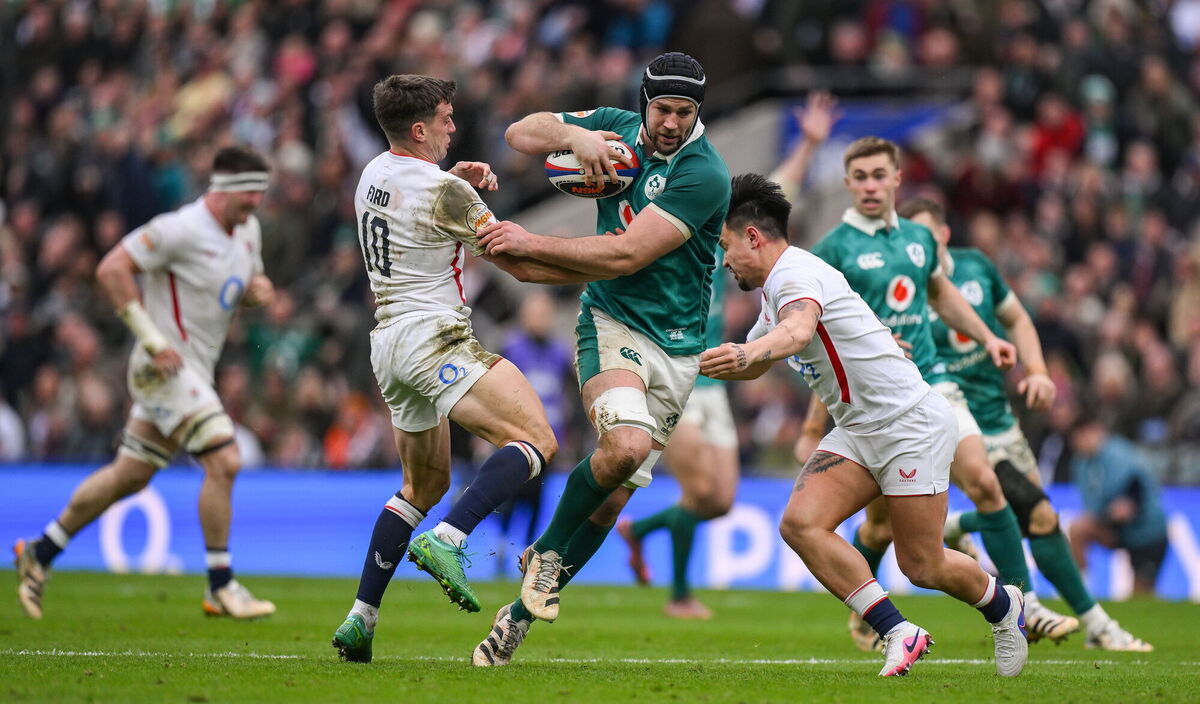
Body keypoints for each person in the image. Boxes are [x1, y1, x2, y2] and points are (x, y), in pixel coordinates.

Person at [701, 173, 1026, 677]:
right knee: (800, 524)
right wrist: (692, 364)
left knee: (923, 565)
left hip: (908, 424)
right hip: (861, 428)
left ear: (753, 237)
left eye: (725, 246)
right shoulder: (774, 291)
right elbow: (761, 357)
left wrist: (747, 351)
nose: (724, 260)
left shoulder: (795, 276)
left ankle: (1006, 608)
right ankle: (899, 631)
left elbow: (797, 330)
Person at [470, 51, 730, 666]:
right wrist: (574, 134)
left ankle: (515, 618)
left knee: (612, 496)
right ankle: (549, 555)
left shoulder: (705, 173)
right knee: (626, 449)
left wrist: (531, 243)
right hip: (611, 324)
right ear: (645, 101)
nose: (670, 122)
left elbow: (626, 254)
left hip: (679, 347)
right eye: (663, 108)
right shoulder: (614, 126)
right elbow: (518, 133)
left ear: (698, 113)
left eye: (684, 112)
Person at [331, 74, 599, 664]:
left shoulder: (373, 173)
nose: (455, 127)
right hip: (435, 336)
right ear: (421, 128)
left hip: (388, 345)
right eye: (447, 119)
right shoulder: (447, 194)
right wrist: (609, 265)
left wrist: (453, 179)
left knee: (420, 486)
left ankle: (360, 619)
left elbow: (414, 203)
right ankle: (450, 539)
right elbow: (520, 266)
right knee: (536, 439)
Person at [783, 136, 1069, 652]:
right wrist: (810, 425)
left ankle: (1022, 600)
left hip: (931, 388)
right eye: (860, 177)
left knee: (984, 480)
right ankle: (872, 615)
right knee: (884, 530)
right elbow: (818, 347)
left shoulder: (917, 238)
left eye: (879, 175)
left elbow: (941, 294)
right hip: (870, 403)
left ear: (897, 179)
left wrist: (987, 336)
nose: (870, 186)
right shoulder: (831, 251)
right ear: (848, 184)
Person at [13, 145, 278, 620]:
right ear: (224, 191)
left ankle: (41, 551)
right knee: (225, 457)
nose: (257, 204)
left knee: (129, 475)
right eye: (250, 195)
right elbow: (111, 268)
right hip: (162, 370)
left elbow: (245, 286)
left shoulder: (248, 231)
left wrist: (258, 292)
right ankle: (221, 583)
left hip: (196, 369)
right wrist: (152, 340)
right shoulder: (178, 229)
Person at [615, 91, 840, 620]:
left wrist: (808, 144)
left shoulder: (722, 236)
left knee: (718, 500)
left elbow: (777, 187)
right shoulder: (668, 231)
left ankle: (639, 530)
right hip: (672, 366)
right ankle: (678, 596)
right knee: (698, 489)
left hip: (712, 377)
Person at [901, 198, 1153, 651]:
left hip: (1000, 416)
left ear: (942, 234)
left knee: (1043, 518)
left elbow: (1017, 318)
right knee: (1017, 502)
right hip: (949, 416)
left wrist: (1037, 370)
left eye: (924, 233)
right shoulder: (903, 285)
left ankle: (1091, 622)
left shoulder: (978, 268)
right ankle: (1030, 609)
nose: (917, 243)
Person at [495, 290, 575, 563]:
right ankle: (503, 543)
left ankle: (526, 550)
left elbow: (572, 395)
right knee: (510, 493)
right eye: (535, 313)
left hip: (549, 439)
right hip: (516, 436)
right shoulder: (510, 348)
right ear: (523, 315)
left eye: (545, 314)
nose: (540, 320)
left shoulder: (560, 353)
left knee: (537, 496)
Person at [1068, 412, 1169, 599]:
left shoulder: (1121, 454)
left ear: (1097, 431)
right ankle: (1078, 589)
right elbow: (1092, 505)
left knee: (1141, 596)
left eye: (1085, 434)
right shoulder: (1080, 464)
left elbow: (1139, 488)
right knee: (1078, 528)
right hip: (1115, 528)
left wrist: (1130, 505)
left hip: (1147, 534)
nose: (1081, 442)